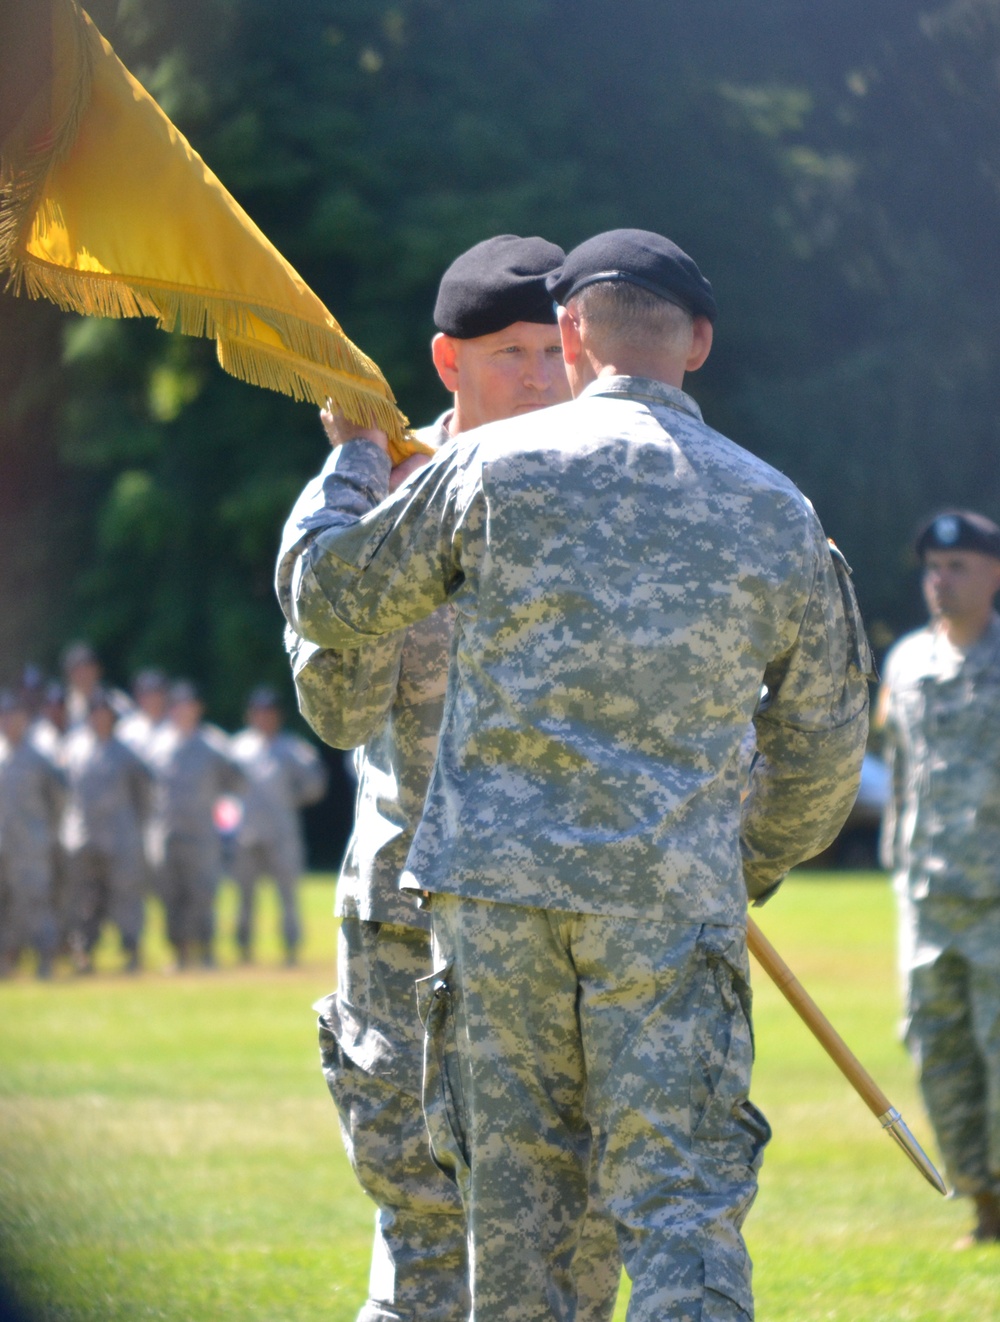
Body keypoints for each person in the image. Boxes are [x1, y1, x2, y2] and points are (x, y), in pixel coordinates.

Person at [278, 227, 872, 1321]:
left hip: (493, 911)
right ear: (696, 341)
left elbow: (327, 600)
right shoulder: (776, 509)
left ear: (570, 332)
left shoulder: (479, 472)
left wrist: (350, 460)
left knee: (519, 1231)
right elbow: (828, 741)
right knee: (680, 1208)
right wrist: (739, 859)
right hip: (664, 904)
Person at [278, 234, 621, 1322]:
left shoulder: (618, 493)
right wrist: (379, 511)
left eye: (555, 351)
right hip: (408, 922)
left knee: (575, 1240)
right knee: (424, 1230)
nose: (541, 376)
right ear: (448, 361)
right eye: (513, 352)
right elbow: (334, 709)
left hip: (566, 924)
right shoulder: (376, 499)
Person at [878, 509, 1000, 1248]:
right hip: (925, 900)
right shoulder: (905, 665)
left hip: (997, 901)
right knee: (938, 1052)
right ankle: (982, 1200)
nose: (941, 580)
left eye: (957, 568)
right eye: (933, 568)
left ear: (993, 575)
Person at [146, 681, 243, 970]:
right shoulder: (156, 743)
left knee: (203, 893)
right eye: (178, 705)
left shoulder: (214, 745)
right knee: (171, 894)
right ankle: (179, 953)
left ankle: (206, 950)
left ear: (198, 709)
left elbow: (235, 782)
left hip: (202, 834)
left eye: (190, 705)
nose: (184, 711)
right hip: (167, 834)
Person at [229, 686, 328, 965]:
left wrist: (291, 800)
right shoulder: (237, 748)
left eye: (269, 713)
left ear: (278, 716)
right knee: (244, 896)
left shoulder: (293, 748)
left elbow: (315, 784)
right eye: (259, 713)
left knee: (287, 895)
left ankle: (291, 950)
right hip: (246, 834)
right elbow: (222, 785)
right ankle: (243, 949)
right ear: (251, 715)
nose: (264, 718)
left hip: (282, 834)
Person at [62, 688, 153, 974]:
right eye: (96, 713)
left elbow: (145, 794)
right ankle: (84, 952)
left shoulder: (127, 754)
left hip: (120, 837)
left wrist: (136, 826)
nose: (101, 719)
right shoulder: (73, 749)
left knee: (124, 896)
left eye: (106, 714)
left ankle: (131, 950)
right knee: (86, 899)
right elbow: (61, 791)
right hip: (84, 838)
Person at [0, 690, 65, 978]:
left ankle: (45, 959)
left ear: (24, 719)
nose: (8, 722)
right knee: (6, 905)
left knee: (36, 902)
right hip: (3, 845)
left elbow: (58, 800)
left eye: (14, 715)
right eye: (4, 716)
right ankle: (7, 960)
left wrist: (47, 831)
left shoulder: (39, 758)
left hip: (31, 846)